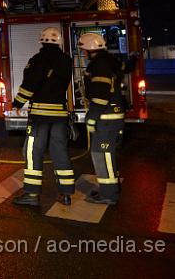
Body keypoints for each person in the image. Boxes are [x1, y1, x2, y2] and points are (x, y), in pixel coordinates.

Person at [12, 27, 76, 207]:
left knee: (32, 153)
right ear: (59, 42)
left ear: (42, 41)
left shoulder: (38, 60)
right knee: (60, 152)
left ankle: (31, 195)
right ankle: (65, 194)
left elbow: (29, 85)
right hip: (59, 115)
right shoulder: (66, 60)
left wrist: (17, 103)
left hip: (40, 116)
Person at [78, 32, 136, 205]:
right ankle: (109, 188)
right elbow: (125, 68)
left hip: (105, 117)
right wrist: (132, 59)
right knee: (102, 154)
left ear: (90, 50)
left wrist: (91, 118)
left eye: (83, 50)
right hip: (111, 117)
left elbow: (100, 97)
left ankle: (109, 194)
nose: (83, 54)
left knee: (103, 155)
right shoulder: (110, 61)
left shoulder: (100, 65)